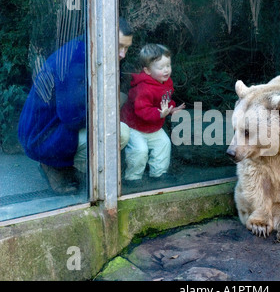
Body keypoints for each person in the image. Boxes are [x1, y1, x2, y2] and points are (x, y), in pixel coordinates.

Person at [18, 17, 133, 194]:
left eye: (126, 48)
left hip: (44, 129)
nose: (123, 54)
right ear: (102, 36)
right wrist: (112, 104)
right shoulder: (78, 59)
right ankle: (54, 165)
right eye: (119, 46)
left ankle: (66, 166)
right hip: (42, 136)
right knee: (121, 132)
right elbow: (71, 117)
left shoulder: (83, 48)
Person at [120, 44, 185, 186]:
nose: (166, 70)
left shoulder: (166, 82)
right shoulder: (143, 88)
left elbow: (165, 100)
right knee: (139, 150)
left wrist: (171, 108)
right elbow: (142, 111)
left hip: (153, 125)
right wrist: (160, 114)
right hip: (134, 126)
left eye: (168, 65)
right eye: (161, 68)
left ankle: (159, 174)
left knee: (164, 143)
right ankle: (132, 178)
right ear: (147, 71)